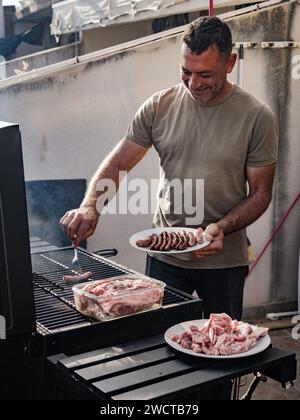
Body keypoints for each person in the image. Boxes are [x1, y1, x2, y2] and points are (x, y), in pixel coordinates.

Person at [60, 17, 278, 322]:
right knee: (159, 345)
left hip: (223, 260)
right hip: (164, 256)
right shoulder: (158, 106)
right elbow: (120, 161)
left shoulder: (257, 117)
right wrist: (90, 206)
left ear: (230, 63)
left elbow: (260, 193)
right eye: (186, 72)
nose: (193, 84)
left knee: (220, 347)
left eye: (205, 74)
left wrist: (222, 227)